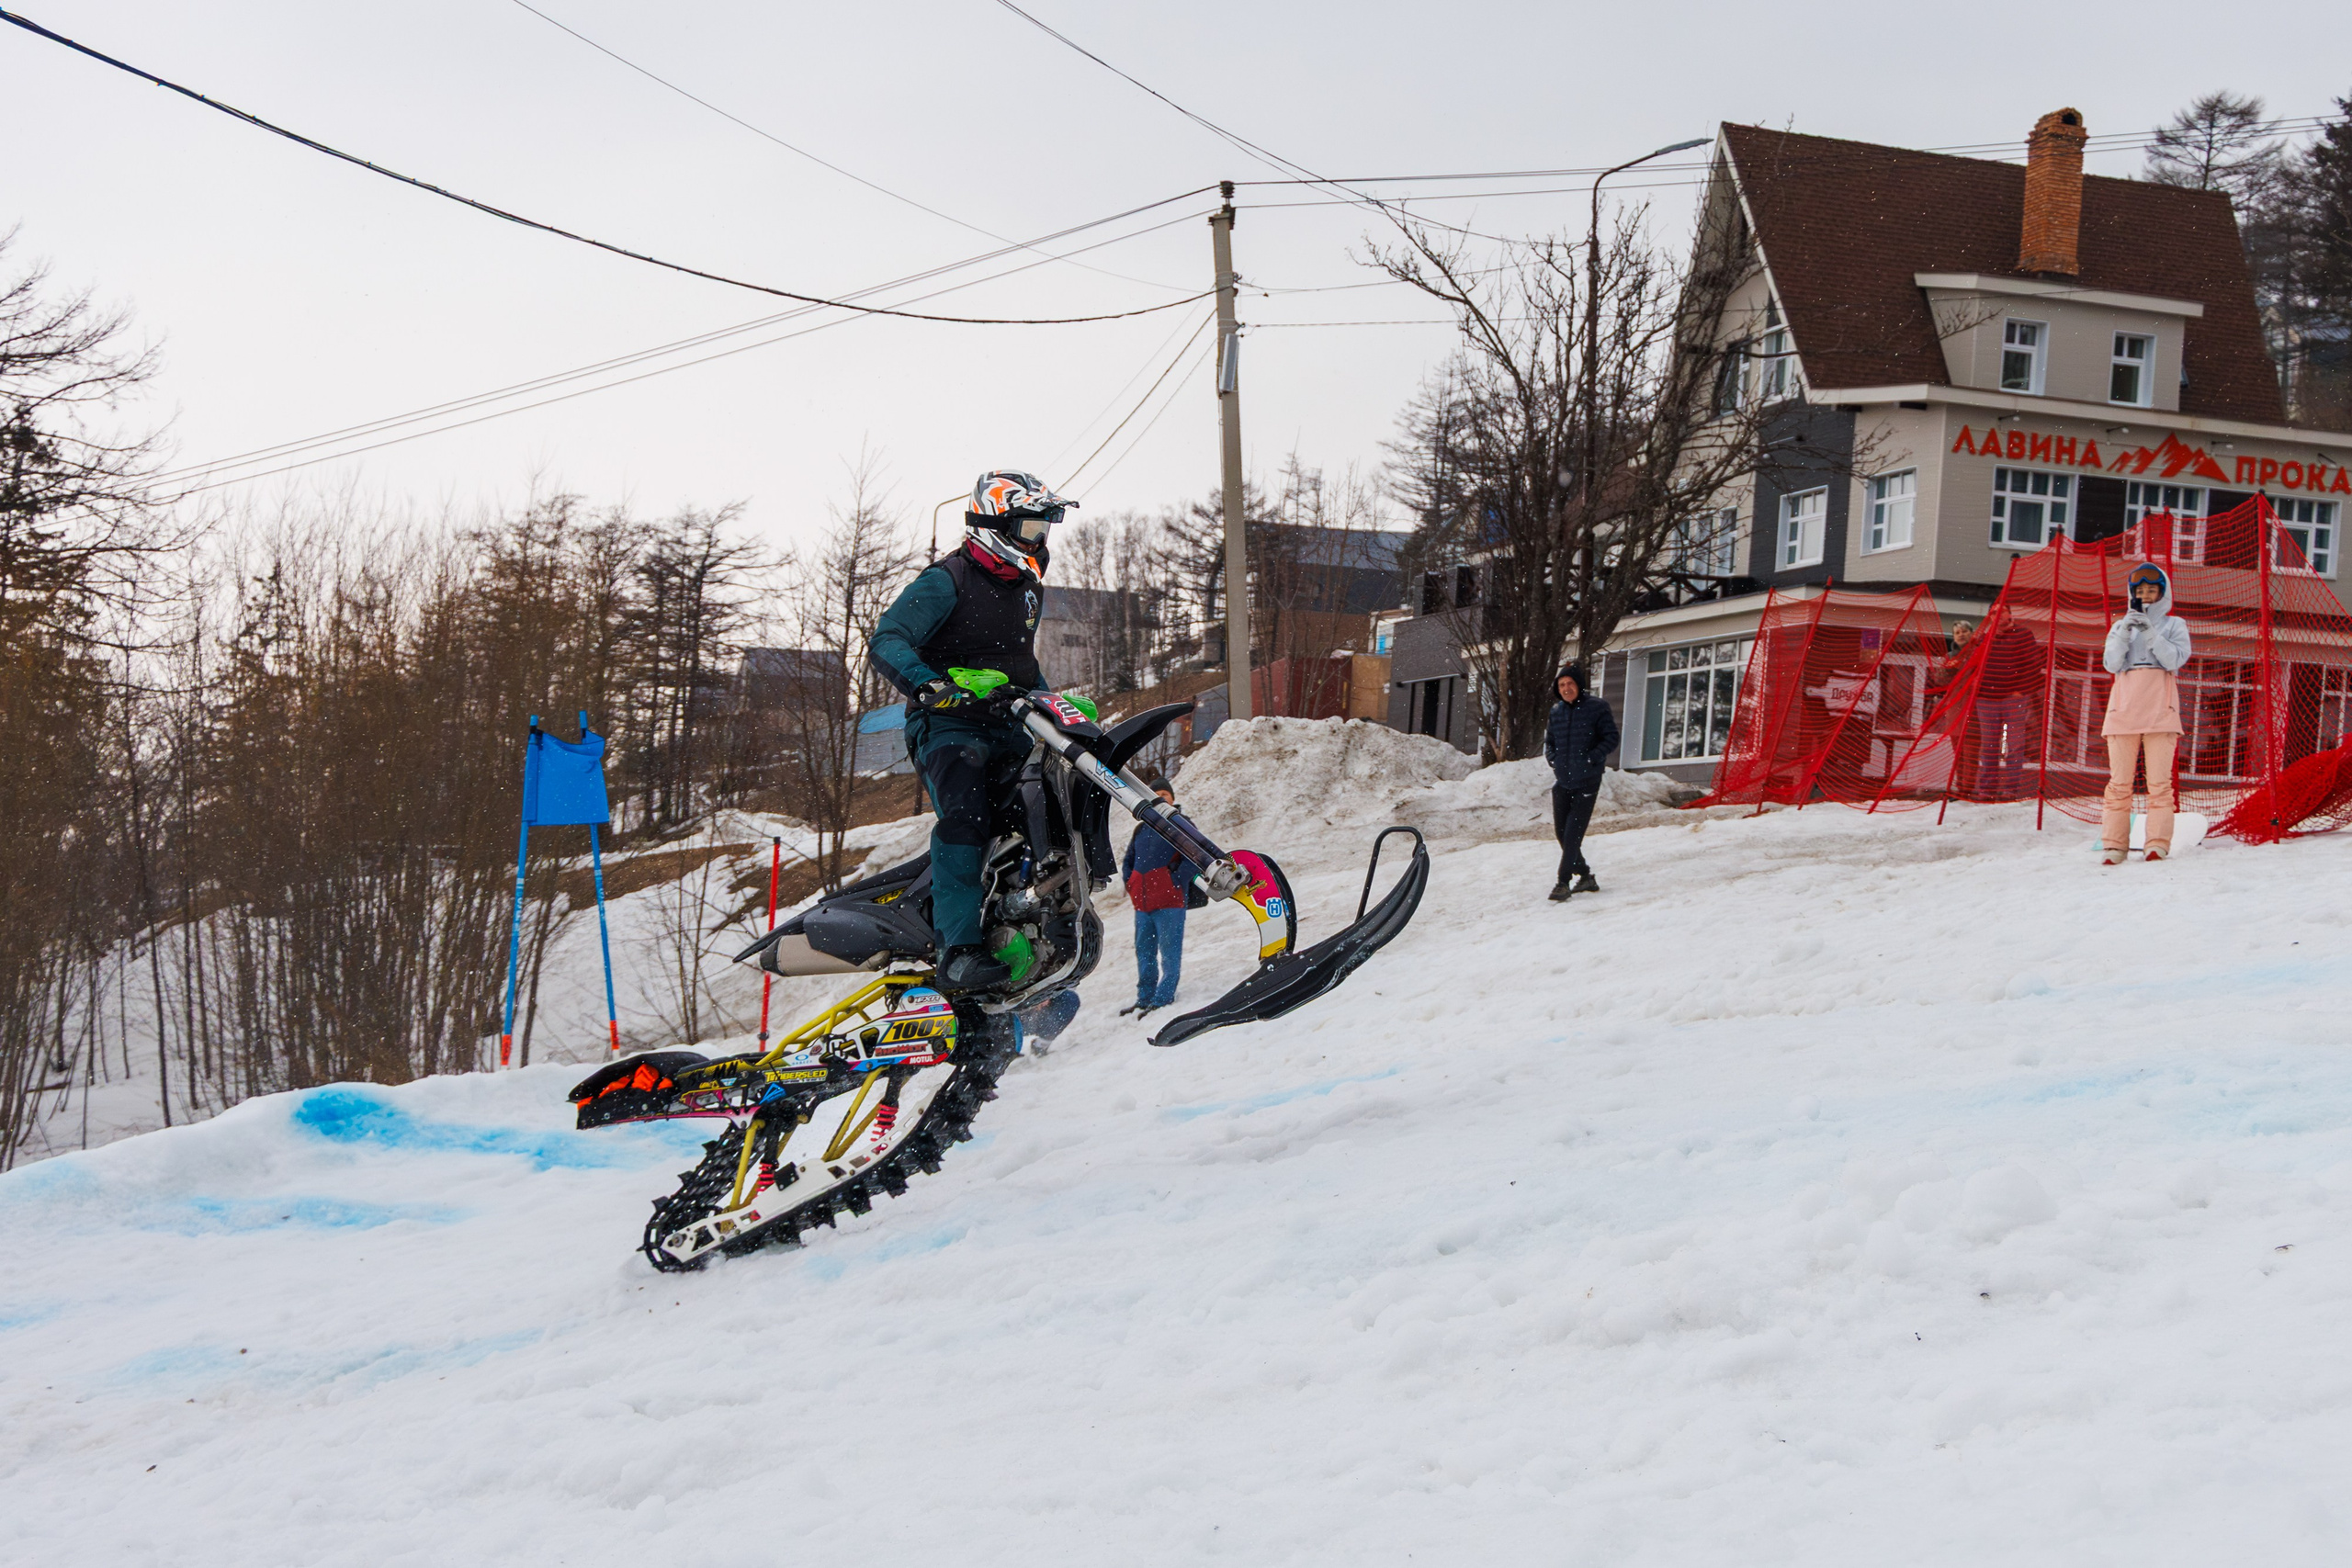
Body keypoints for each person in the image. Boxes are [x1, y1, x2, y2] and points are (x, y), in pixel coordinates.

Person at [868, 468, 1077, 990]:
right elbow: (889, 638)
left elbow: (1021, 665)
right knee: (967, 816)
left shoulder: (1028, 590)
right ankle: (957, 951)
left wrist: (1051, 703)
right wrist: (926, 684)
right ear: (995, 524)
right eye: (1030, 528)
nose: (1040, 540)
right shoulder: (946, 580)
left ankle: (1033, 913)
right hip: (949, 725)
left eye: (1043, 529)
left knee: (1048, 799)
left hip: (1009, 721)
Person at [2099, 561, 2191, 865]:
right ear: (2132, 593)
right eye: (2141, 590)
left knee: (2159, 784)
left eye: (2152, 590)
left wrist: (2151, 632)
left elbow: (2174, 660)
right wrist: (2125, 631)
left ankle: (2157, 843)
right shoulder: (2118, 625)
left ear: (2162, 593)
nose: (2147, 595)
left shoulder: (2174, 624)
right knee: (2119, 783)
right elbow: (2111, 664)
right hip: (2123, 710)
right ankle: (2114, 844)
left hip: (2160, 711)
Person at [1119, 774, 1199, 1016]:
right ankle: (1144, 997)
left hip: (1170, 902)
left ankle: (1164, 997)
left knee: (1169, 951)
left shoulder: (1181, 823)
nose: (1159, 798)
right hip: (1143, 904)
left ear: (1172, 798)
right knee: (1144, 952)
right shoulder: (1142, 828)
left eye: (1163, 794)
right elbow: (1128, 862)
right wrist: (1132, 882)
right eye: (1154, 795)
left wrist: (1173, 881)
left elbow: (1195, 857)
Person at [1543, 662, 1620, 902]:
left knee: (1573, 835)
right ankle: (1585, 876)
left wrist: (1591, 758)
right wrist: (1553, 760)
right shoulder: (1556, 712)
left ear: (1579, 685)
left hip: (1587, 781)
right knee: (1562, 833)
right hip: (1563, 781)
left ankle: (1563, 882)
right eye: (1562, 684)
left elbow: (1611, 737)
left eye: (1570, 683)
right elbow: (1550, 743)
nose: (1566, 688)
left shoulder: (1597, 708)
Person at [1973, 613, 2042, 802]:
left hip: (2013, 698)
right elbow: (1975, 664)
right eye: (1994, 612)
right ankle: (1987, 790)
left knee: (2015, 744)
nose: (1998, 615)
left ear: (2010, 614)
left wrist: (2020, 690)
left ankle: (2010, 790)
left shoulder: (2022, 634)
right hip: (1987, 698)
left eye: (2002, 610)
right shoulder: (1984, 637)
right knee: (1988, 745)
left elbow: (2034, 663)